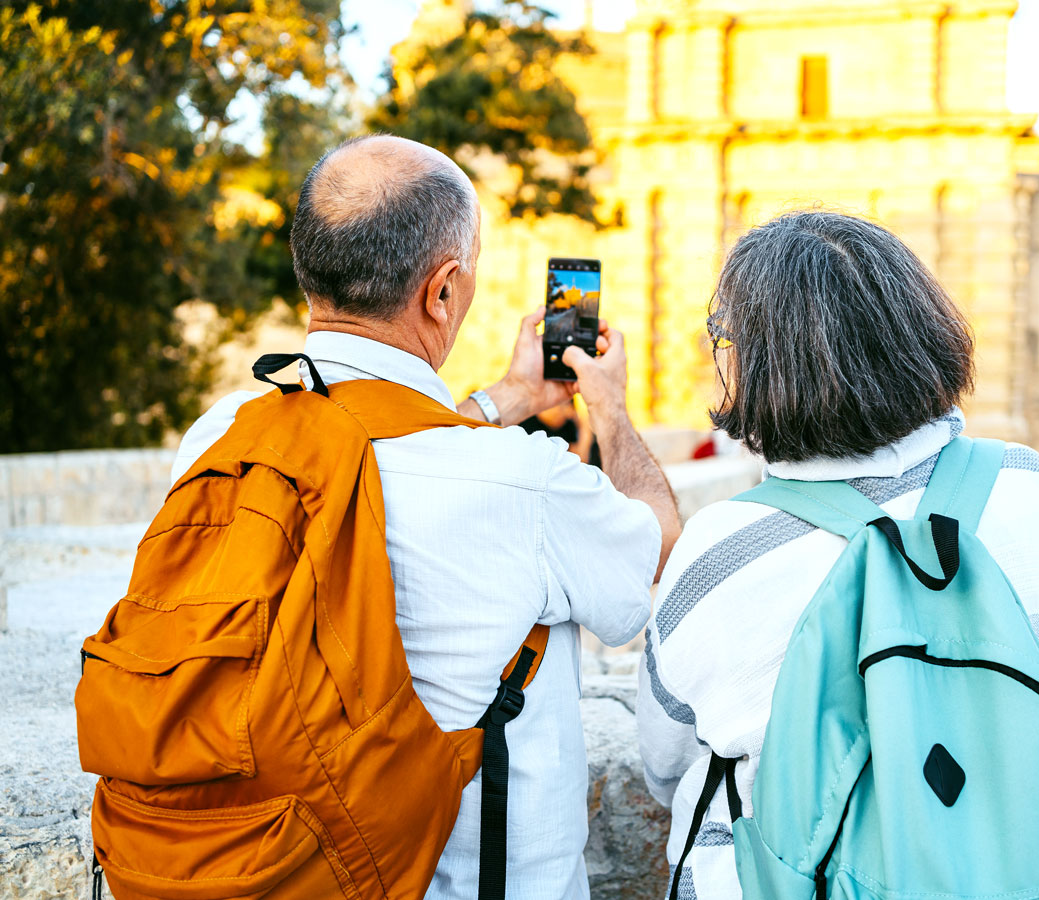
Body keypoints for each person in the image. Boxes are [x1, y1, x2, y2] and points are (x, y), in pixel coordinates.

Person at [170, 134, 682, 899]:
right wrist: (607, 405)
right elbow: (660, 542)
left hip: (264, 867)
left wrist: (506, 400)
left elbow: (367, 437)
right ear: (443, 291)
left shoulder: (217, 436)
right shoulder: (524, 483)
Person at [637, 210, 1039, 900]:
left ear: (755, 362)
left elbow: (663, 761)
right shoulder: (1026, 485)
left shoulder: (722, 550)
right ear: (923, 331)